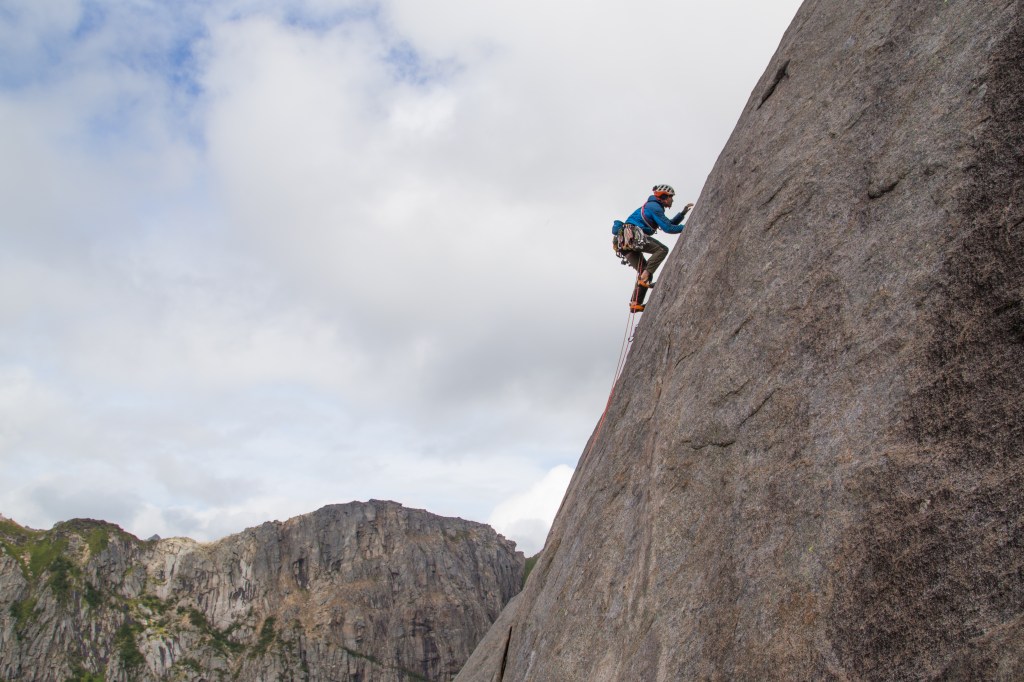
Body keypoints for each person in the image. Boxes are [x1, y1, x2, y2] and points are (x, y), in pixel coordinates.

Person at [615, 184, 694, 312]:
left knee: (645, 272)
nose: (672, 200)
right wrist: (689, 225)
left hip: (624, 243)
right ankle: (645, 276)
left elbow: (668, 224)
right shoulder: (655, 207)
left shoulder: (652, 206)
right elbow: (669, 228)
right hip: (633, 237)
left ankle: (636, 303)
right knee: (662, 250)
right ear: (664, 197)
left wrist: (682, 213)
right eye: (670, 197)